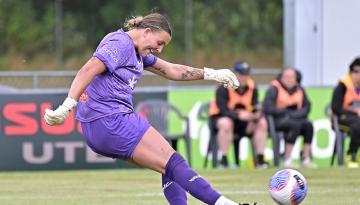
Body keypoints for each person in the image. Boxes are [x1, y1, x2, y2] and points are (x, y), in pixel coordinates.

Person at [44, 12, 257, 205]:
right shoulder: (121, 43)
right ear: (146, 31)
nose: (160, 49)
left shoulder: (137, 52)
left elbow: (171, 70)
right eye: (159, 42)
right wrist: (68, 104)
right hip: (111, 120)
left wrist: (211, 73)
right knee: (175, 163)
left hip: (98, 129)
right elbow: (88, 69)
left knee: (169, 168)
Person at [208, 61, 268, 168]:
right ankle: (224, 160)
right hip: (221, 119)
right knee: (226, 123)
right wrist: (238, 115)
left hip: (243, 123)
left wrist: (255, 115)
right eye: (241, 74)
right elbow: (223, 110)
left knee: (262, 122)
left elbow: (255, 105)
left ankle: (260, 160)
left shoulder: (252, 87)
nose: (244, 77)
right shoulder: (223, 87)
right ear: (235, 74)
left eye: (246, 74)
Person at [263, 67, 316, 168]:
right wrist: (285, 112)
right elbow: (268, 108)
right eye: (287, 77)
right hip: (278, 120)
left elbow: (307, 106)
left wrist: (294, 114)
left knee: (309, 125)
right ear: (281, 78)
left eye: (292, 77)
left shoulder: (300, 89)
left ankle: (305, 157)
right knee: (294, 125)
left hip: (296, 118)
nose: (289, 79)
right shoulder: (274, 88)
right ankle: (287, 158)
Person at [331, 57, 360, 168]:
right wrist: (354, 112)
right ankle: (351, 155)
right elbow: (335, 107)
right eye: (356, 71)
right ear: (351, 72)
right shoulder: (342, 86)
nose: (358, 74)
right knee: (358, 125)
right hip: (342, 118)